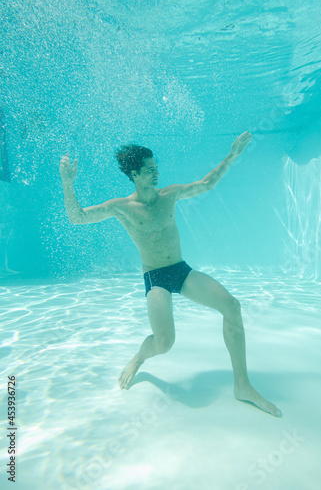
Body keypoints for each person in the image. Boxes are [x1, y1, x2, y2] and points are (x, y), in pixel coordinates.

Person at [59, 132, 282, 417]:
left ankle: (243, 385)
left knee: (232, 307)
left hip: (180, 270)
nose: (157, 173)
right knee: (164, 343)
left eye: (156, 167)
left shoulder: (169, 194)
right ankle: (139, 358)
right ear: (135, 174)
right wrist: (67, 182)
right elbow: (76, 217)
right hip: (156, 277)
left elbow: (206, 183)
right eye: (150, 170)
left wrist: (232, 155)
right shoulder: (122, 208)